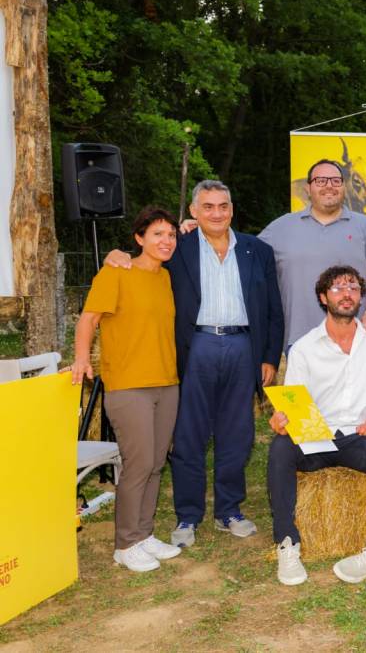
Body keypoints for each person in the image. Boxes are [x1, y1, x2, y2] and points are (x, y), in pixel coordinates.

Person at [165, 181, 284, 548]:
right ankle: (188, 515)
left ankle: (229, 510)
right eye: (208, 206)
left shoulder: (257, 250)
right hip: (196, 345)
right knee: (190, 434)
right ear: (194, 211)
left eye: (223, 206)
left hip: (242, 346)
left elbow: (273, 309)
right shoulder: (177, 247)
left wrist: (269, 356)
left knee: (237, 434)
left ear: (232, 209)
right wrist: (114, 257)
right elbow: (140, 261)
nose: (216, 213)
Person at [266, 266, 366, 586]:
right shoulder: (304, 348)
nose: (347, 294)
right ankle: (287, 542)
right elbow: (292, 403)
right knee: (281, 448)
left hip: (357, 435)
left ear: (361, 297)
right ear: (323, 297)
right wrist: (282, 420)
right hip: (317, 436)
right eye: (338, 288)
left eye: (353, 288)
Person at [71, 206, 183, 572]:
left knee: (156, 463)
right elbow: (89, 319)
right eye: (157, 234)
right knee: (138, 463)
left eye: (171, 235)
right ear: (139, 238)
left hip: (167, 383)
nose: (166, 240)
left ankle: (144, 534)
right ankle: (125, 544)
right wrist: (81, 358)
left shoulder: (165, 278)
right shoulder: (116, 272)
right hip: (129, 385)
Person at [260, 159, 366, 346]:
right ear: (308, 188)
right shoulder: (280, 228)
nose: (329, 186)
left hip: (355, 339)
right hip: (299, 341)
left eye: (336, 181)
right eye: (321, 181)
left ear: (344, 186)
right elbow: (251, 263)